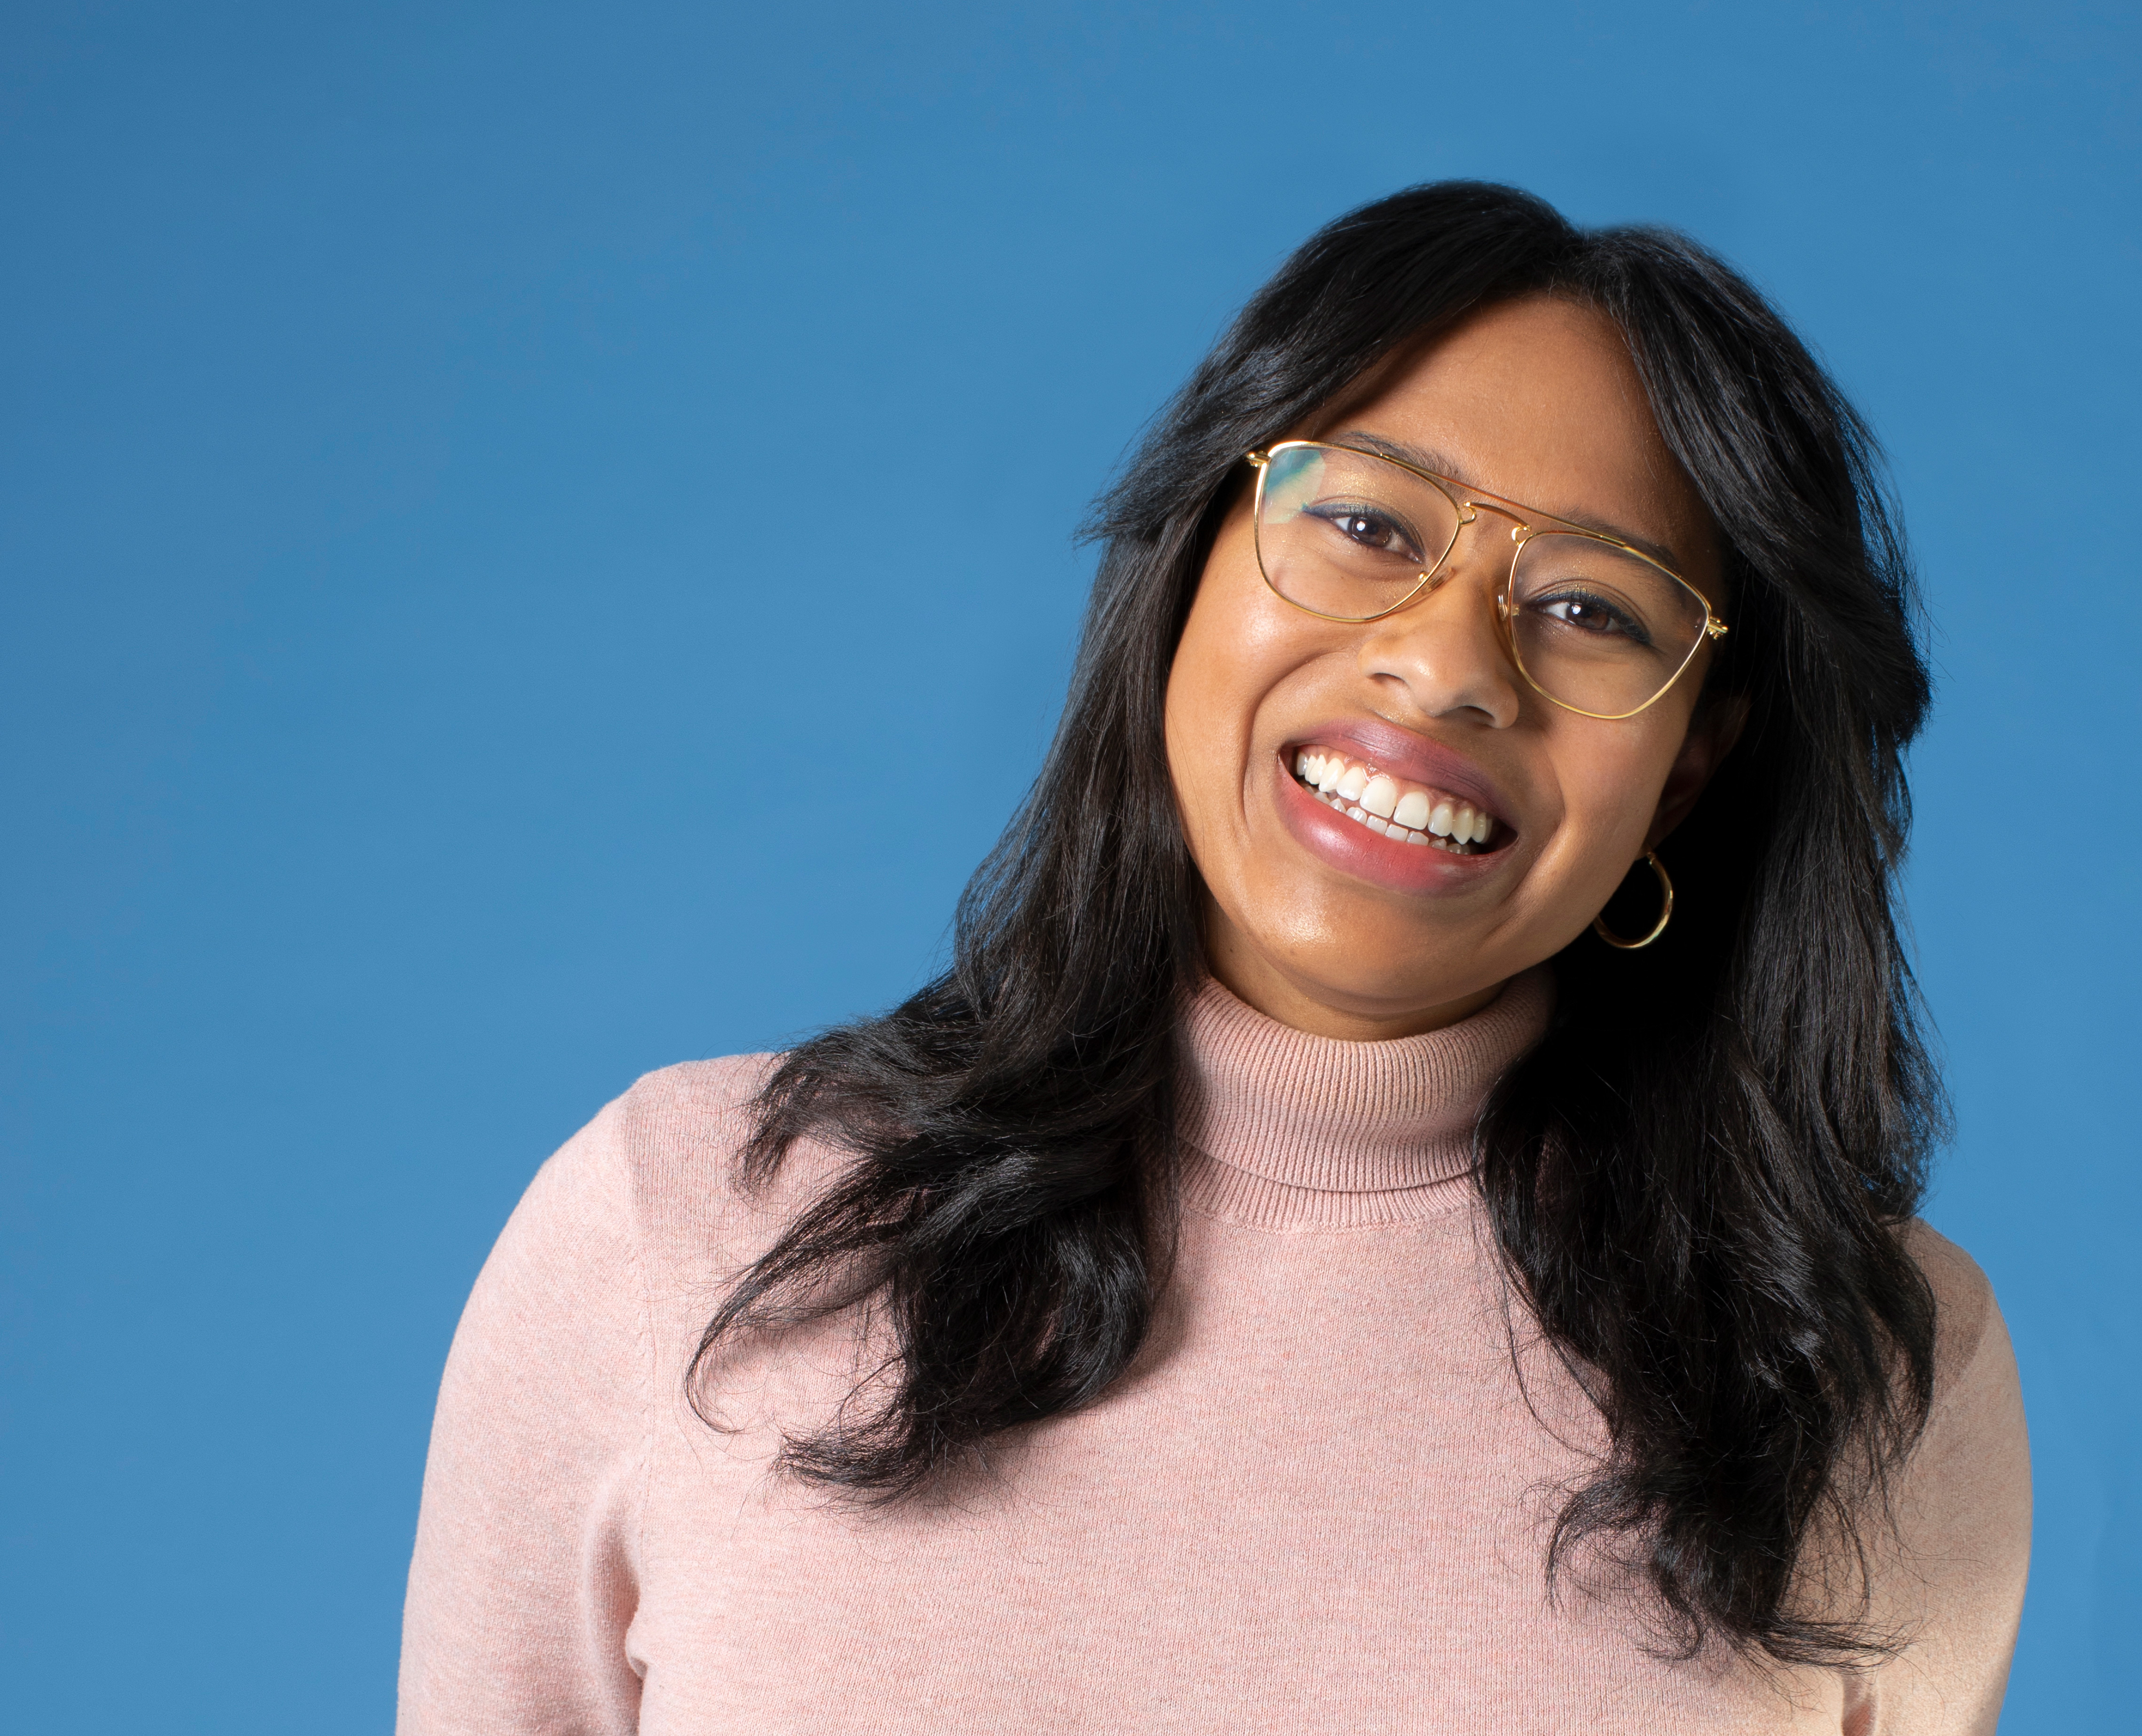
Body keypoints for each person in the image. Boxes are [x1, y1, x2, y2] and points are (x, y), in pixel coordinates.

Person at [399, 181, 2030, 1733]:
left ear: (1685, 766)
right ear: (1188, 569)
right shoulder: (684, 1225)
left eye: (1595, 610)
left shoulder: (1862, 1365)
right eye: (1370, 524)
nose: (1447, 662)